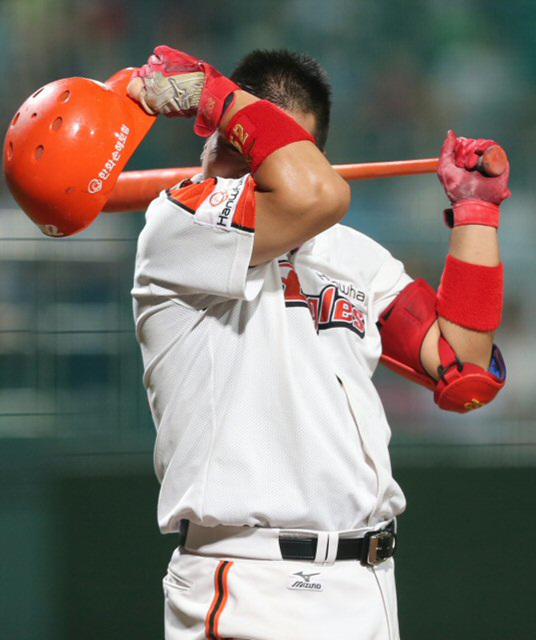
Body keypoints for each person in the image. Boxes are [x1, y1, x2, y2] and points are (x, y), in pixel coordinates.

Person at [128, 46, 509, 640]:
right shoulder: (179, 226)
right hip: (248, 582)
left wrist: (476, 217)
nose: (246, 167)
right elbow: (316, 196)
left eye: (261, 151)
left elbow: (465, 374)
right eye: (234, 147)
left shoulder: (354, 255)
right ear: (213, 140)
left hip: (368, 583)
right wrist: (211, 95)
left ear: (307, 157)